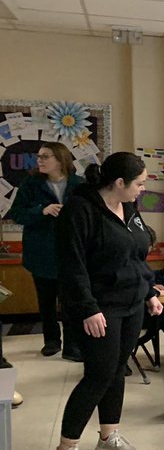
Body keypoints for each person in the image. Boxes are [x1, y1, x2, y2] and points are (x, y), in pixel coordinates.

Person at [52, 152, 161, 450]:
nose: (142, 189)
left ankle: (108, 433)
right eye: (139, 184)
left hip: (131, 303)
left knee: (116, 370)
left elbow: (137, 256)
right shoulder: (79, 210)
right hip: (98, 308)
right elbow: (72, 266)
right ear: (119, 183)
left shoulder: (129, 208)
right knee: (98, 374)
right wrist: (87, 308)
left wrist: (150, 292)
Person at [10, 140, 85, 359]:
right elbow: (17, 213)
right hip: (41, 253)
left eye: (45, 157)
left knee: (71, 302)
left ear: (60, 159)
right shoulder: (31, 183)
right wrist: (41, 210)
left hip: (71, 252)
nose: (39, 160)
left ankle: (73, 345)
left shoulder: (78, 184)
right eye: (39, 157)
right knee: (46, 302)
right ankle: (51, 341)